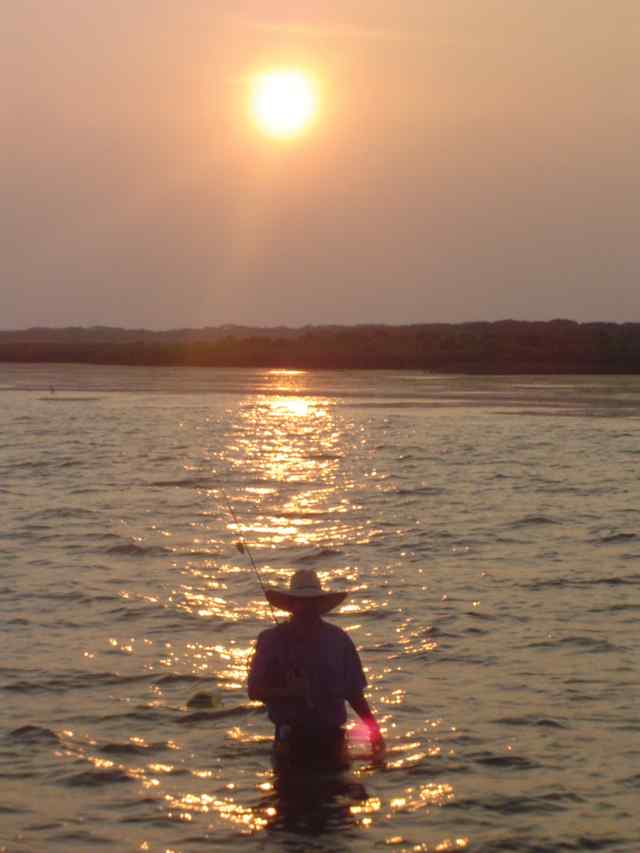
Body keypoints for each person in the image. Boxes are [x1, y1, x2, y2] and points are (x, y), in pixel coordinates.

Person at [248, 568, 385, 766]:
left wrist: (374, 731)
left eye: (311, 602)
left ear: (320, 605)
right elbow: (254, 690)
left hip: (333, 740)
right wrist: (289, 692)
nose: (307, 608)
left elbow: (354, 693)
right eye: (302, 602)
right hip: (289, 741)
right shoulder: (271, 640)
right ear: (291, 605)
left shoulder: (339, 639)